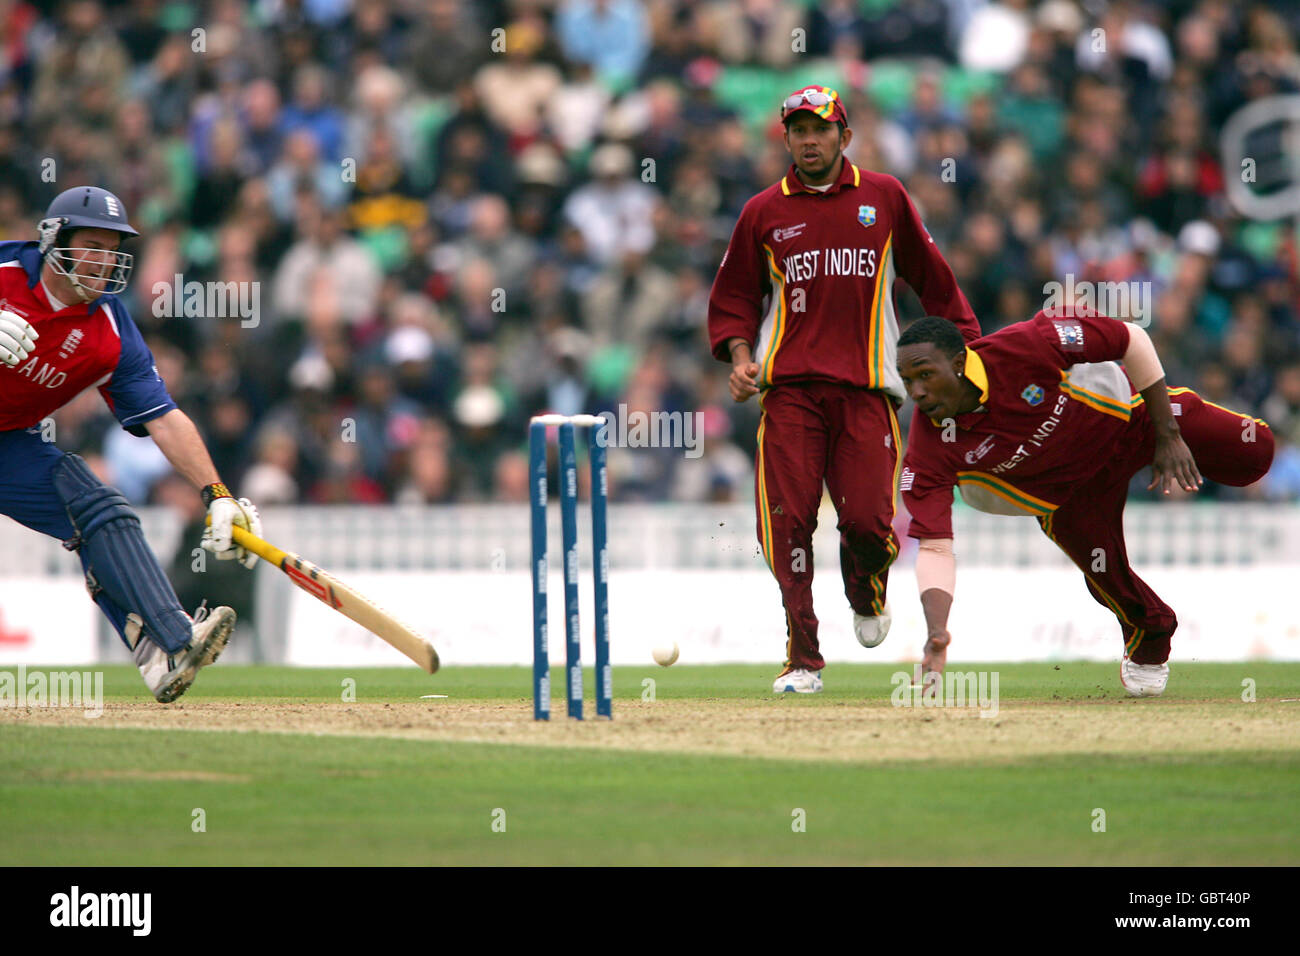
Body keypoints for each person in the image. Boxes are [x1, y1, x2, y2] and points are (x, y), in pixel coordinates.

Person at [707, 86, 979, 694]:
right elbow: (733, 299)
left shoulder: (883, 197)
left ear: (844, 136)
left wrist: (968, 347)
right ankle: (804, 658)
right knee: (787, 523)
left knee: (868, 523)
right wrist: (742, 356)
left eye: (820, 129)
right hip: (790, 394)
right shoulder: (762, 212)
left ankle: (866, 589)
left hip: (867, 392)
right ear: (785, 139)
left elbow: (932, 278)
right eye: (798, 130)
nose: (809, 140)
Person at [896, 308, 1275, 697]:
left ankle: (1180, 426)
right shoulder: (927, 451)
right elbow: (936, 546)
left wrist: (1168, 434)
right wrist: (937, 633)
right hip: (1068, 492)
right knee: (1106, 573)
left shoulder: (1030, 344)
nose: (917, 392)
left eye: (925, 375)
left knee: (1256, 450)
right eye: (908, 380)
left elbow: (1131, 339)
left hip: (1131, 421)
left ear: (959, 363)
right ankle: (1151, 634)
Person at [0, 185, 263, 703]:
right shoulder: (6, 269)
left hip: (8, 446)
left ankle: (169, 646)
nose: (105, 260)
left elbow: (164, 418)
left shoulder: (111, 329)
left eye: (113, 248)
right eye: (92, 245)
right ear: (55, 241)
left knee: (100, 508)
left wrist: (218, 494)